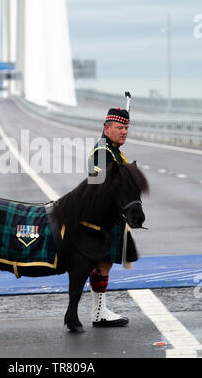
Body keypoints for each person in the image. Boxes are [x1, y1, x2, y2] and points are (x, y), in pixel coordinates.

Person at [87, 106, 136, 327]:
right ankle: (98, 313)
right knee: (100, 265)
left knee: (104, 264)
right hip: (101, 218)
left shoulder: (113, 150)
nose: (124, 131)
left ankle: (100, 310)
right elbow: (99, 184)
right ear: (107, 129)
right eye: (119, 127)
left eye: (126, 127)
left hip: (111, 216)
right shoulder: (102, 151)